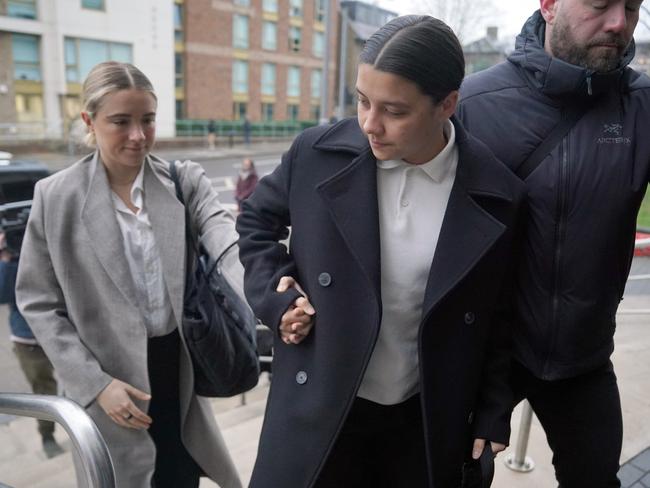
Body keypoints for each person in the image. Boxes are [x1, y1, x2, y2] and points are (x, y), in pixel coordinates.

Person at [237, 15, 525, 487]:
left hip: (424, 419)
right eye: (362, 100)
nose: (371, 124)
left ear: (446, 105)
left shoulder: (498, 194)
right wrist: (276, 295)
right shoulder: (315, 154)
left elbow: (501, 314)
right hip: (321, 406)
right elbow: (254, 222)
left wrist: (494, 411)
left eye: (394, 110)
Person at [15, 61, 243, 488]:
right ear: (89, 121)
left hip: (177, 373)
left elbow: (227, 242)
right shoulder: (56, 196)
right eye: (121, 122)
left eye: (148, 120)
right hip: (106, 379)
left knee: (179, 476)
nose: (138, 136)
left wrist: (271, 294)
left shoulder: (183, 182)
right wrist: (95, 384)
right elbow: (37, 302)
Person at [456, 1, 649, 486]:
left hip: (583, 359)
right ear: (548, 4)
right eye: (601, 4)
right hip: (484, 362)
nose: (619, 23)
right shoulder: (473, 104)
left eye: (633, 6)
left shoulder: (644, 107)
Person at [0, 233, 64, 459]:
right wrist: (5, 257)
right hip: (28, 339)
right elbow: (3, 294)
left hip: (64, 330)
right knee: (44, 391)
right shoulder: (9, 256)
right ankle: (48, 436)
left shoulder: (46, 241)